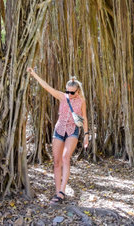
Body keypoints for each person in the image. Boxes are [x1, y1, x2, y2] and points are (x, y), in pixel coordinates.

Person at [27, 67, 89, 204]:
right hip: (59, 130)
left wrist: (86, 134)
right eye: (67, 91)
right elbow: (47, 87)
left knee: (66, 157)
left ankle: (62, 191)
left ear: (78, 91)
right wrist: (34, 74)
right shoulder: (62, 96)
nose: (69, 94)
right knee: (56, 162)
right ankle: (57, 192)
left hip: (73, 130)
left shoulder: (81, 101)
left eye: (72, 92)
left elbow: (84, 117)